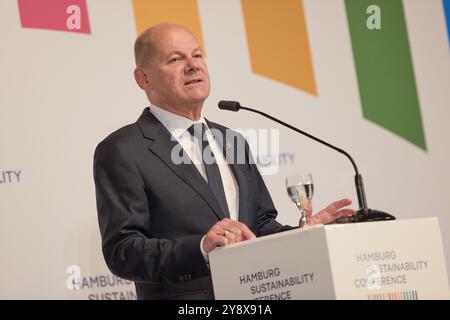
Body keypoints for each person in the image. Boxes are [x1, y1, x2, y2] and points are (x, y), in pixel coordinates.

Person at [93, 23, 356, 300]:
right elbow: (122, 252)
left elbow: (260, 225)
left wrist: (302, 235)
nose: (193, 65)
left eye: (197, 55)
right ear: (144, 79)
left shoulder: (232, 141)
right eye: (175, 59)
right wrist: (202, 247)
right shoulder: (123, 150)